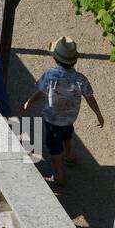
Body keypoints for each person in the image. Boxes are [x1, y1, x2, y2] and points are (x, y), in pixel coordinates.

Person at [22, 37, 104, 185]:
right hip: (69, 118)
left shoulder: (50, 75)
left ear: (55, 58)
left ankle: (59, 174)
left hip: (52, 119)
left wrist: (30, 101)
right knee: (67, 135)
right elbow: (90, 98)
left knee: (54, 147)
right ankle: (70, 156)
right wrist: (98, 114)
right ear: (74, 60)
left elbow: (42, 91)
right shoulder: (81, 79)